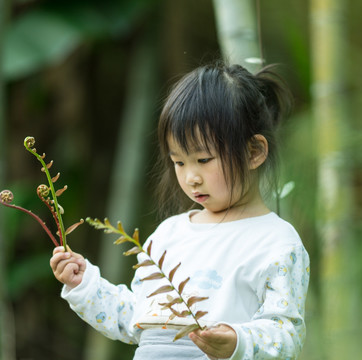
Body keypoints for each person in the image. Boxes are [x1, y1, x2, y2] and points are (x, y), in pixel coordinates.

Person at [50, 61, 310, 360]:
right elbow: (135, 318)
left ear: (254, 152)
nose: (191, 177)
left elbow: (286, 334)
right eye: (179, 162)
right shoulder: (169, 234)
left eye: (203, 160)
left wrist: (238, 341)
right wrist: (83, 284)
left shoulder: (276, 242)